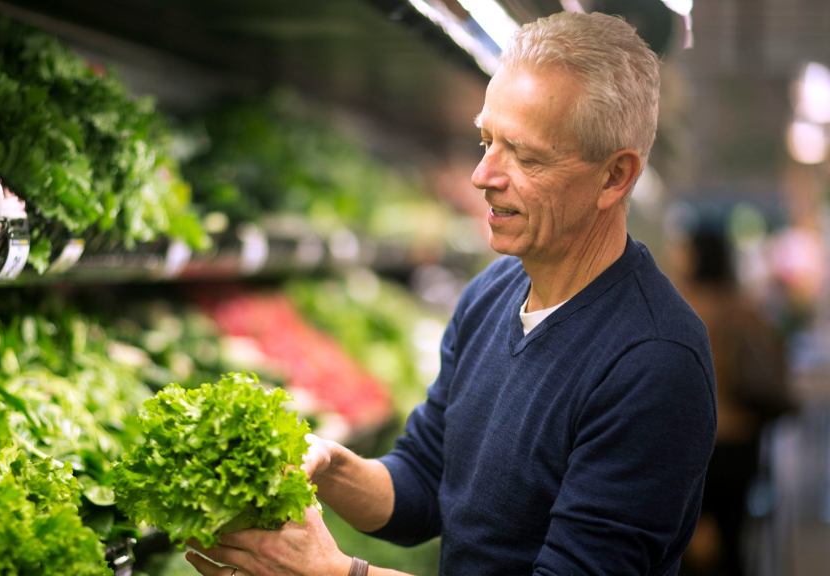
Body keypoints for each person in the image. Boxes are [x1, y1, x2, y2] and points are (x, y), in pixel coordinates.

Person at [187, 11, 717, 576]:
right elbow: (424, 484)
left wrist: (335, 573)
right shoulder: (491, 294)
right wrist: (329, 465)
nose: (482, 175)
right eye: (485, 140)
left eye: (525, 155)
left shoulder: (655, 363)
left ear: (615, 177)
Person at [668, 213, 793, 576]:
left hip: (696, 445)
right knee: (735, 539)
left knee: (691, 548)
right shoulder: (747, 309)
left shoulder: (683, 308)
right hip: (743, 441)